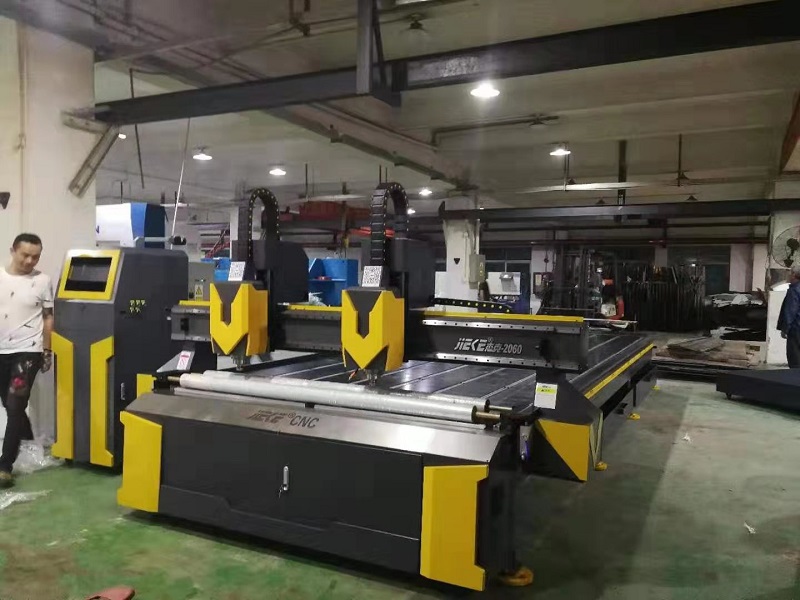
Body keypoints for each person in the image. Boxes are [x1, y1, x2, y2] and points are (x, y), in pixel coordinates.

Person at [0, 233, 53, 487]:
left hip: (28, 351)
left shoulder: (42, 281)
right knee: (8, 403)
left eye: (36, 257)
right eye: (25, 255)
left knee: (15, 405)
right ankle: (29, 441)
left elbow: (48, 317)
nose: (30, 261)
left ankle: (4, 466)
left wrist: (47, 350)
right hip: (1, 350)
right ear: (13, 251)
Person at [777, 265, 800, 368]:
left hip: (796, 329)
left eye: (790, 273)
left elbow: (791, 311)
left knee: (795, 358)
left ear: (794, 275)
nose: (788, 275)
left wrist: (785, 329)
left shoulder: (794, 290)